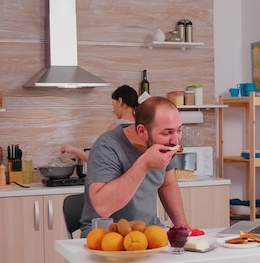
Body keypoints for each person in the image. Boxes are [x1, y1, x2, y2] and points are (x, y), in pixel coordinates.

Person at [79, 96, 189, 238]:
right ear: (142, 131)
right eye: (167, 132)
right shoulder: (107, 147)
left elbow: (168, 185)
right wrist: (144, 164)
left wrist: (183, 230)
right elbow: (102, 207)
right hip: (107, 235)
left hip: (149, 231)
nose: (175, 140)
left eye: (179, 130)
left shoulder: (166, 145)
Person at [61, 85, 138, 161]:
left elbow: (98, 160)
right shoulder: (141, 126)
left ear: (120, 101)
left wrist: (74, 150)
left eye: (113, 104)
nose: (113, 110)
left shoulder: (115, 128)